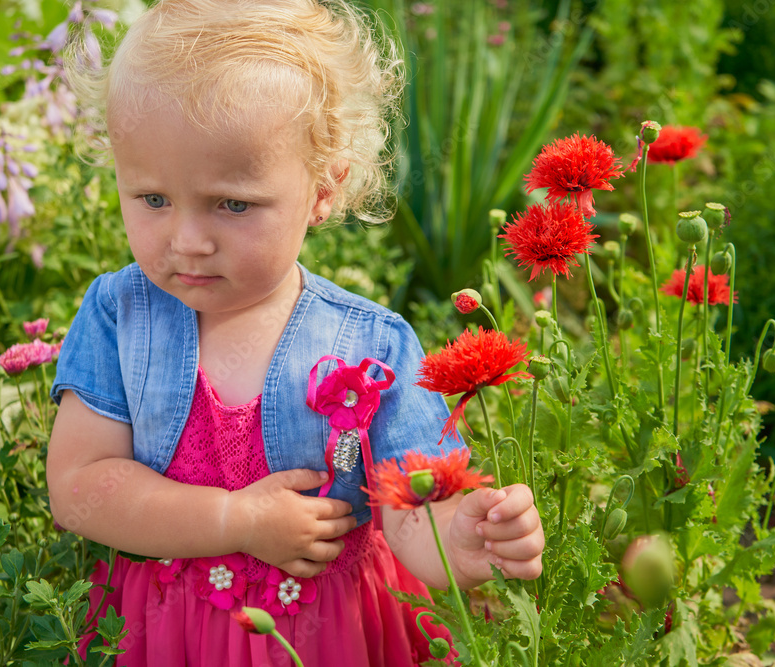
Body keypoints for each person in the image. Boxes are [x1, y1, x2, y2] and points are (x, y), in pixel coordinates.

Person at [46, 1, 544, 664]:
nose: (188, 241)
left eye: (232, 203)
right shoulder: (119, 316)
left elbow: (413, 508)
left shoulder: (371, 349)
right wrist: (234, 520)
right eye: (153, 198)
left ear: (323, 188)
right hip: (167, 633)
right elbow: (80, 487)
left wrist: (462, 539)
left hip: (327, 633)